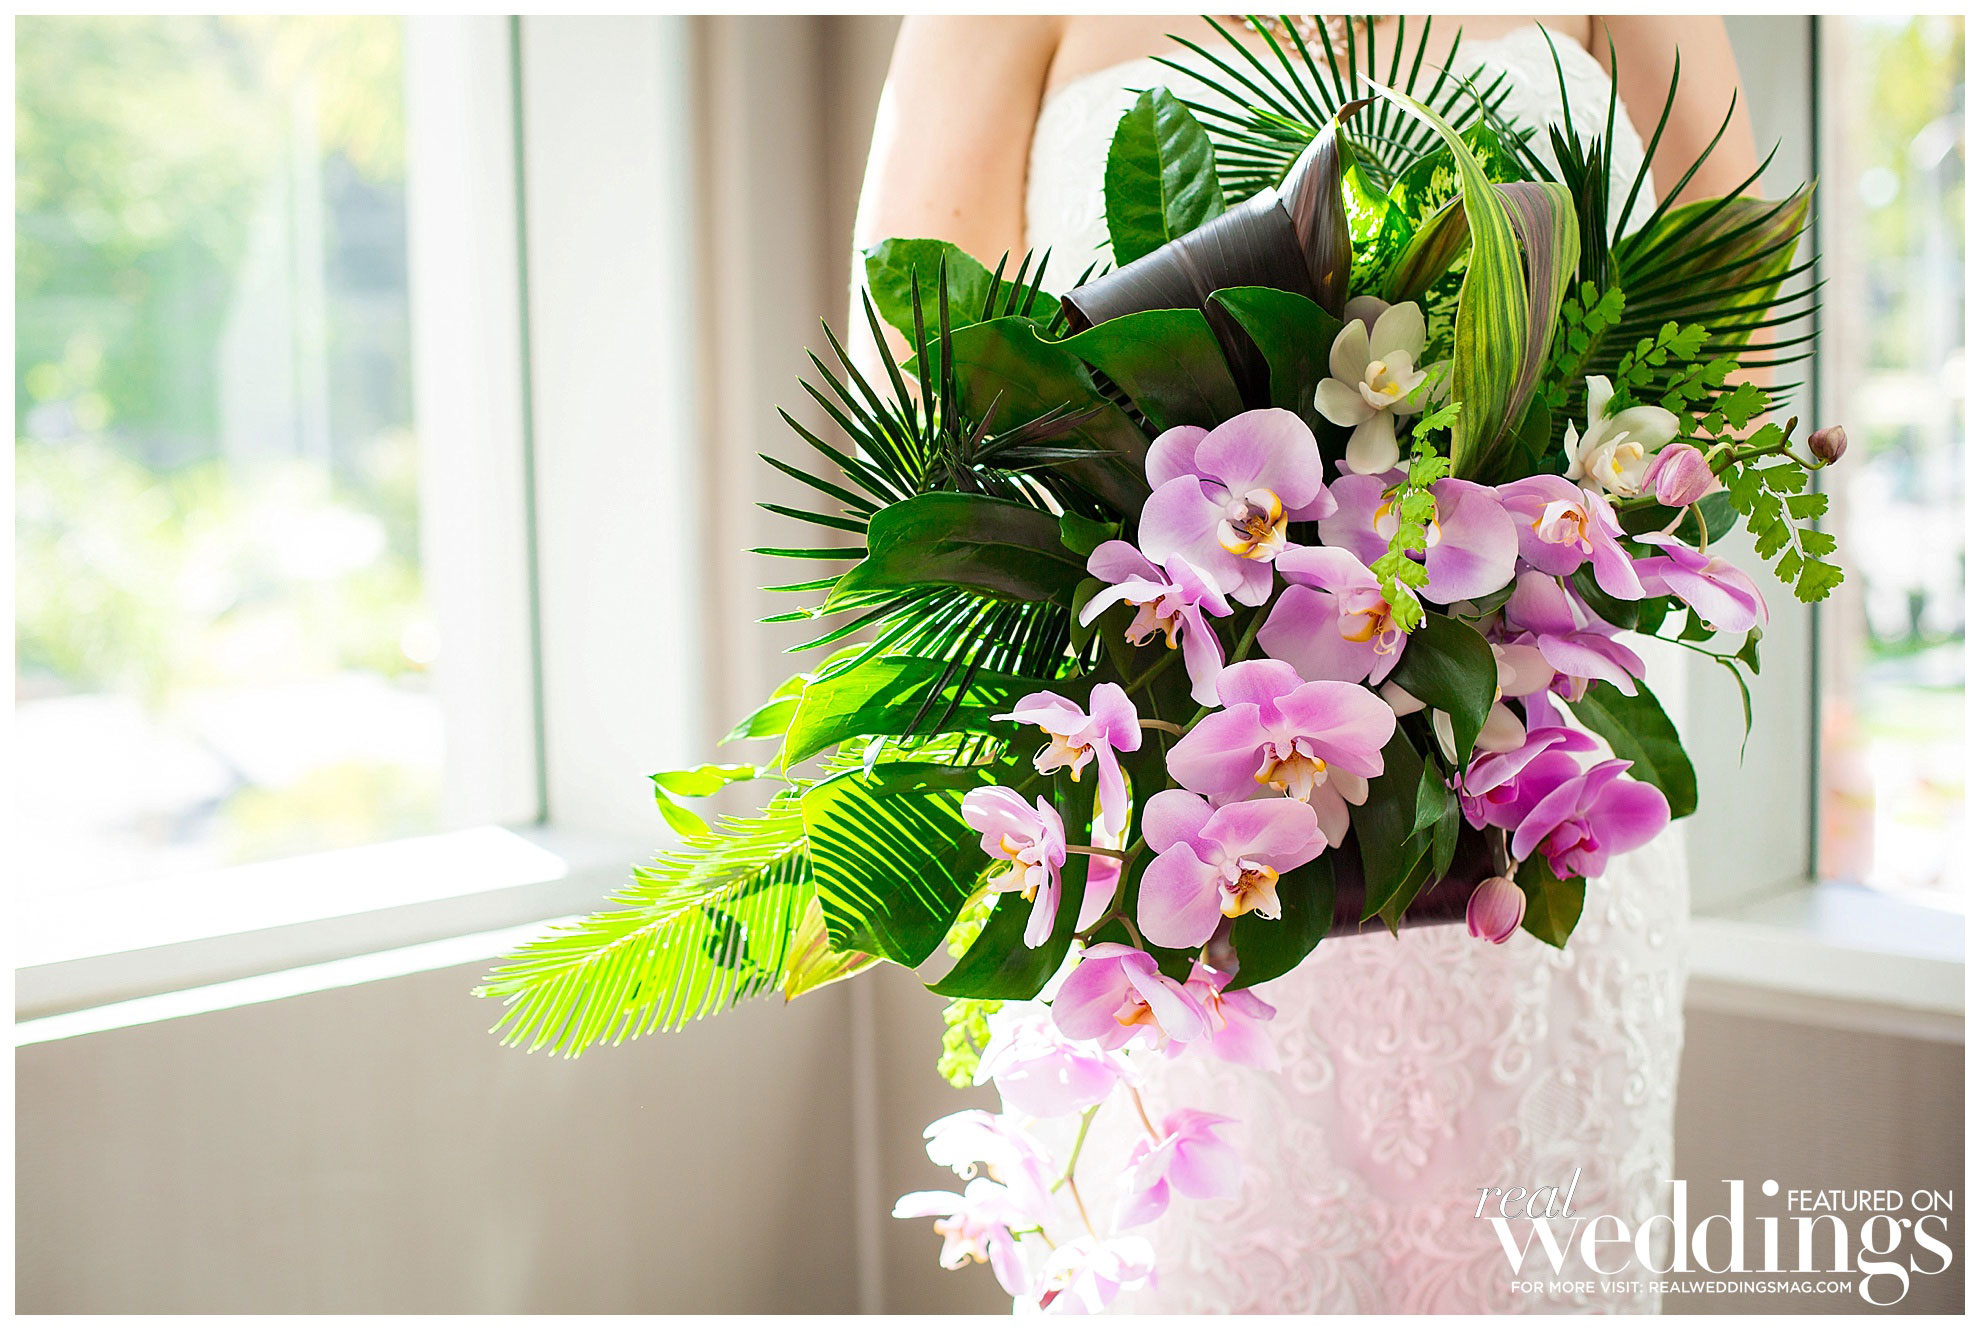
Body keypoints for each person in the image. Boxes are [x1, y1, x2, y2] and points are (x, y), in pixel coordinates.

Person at [851, 16, 1759, 1313]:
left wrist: (1499, 515)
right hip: (1183, 873)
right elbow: (917, 429)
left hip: (1537, 810)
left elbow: (1737, 369)